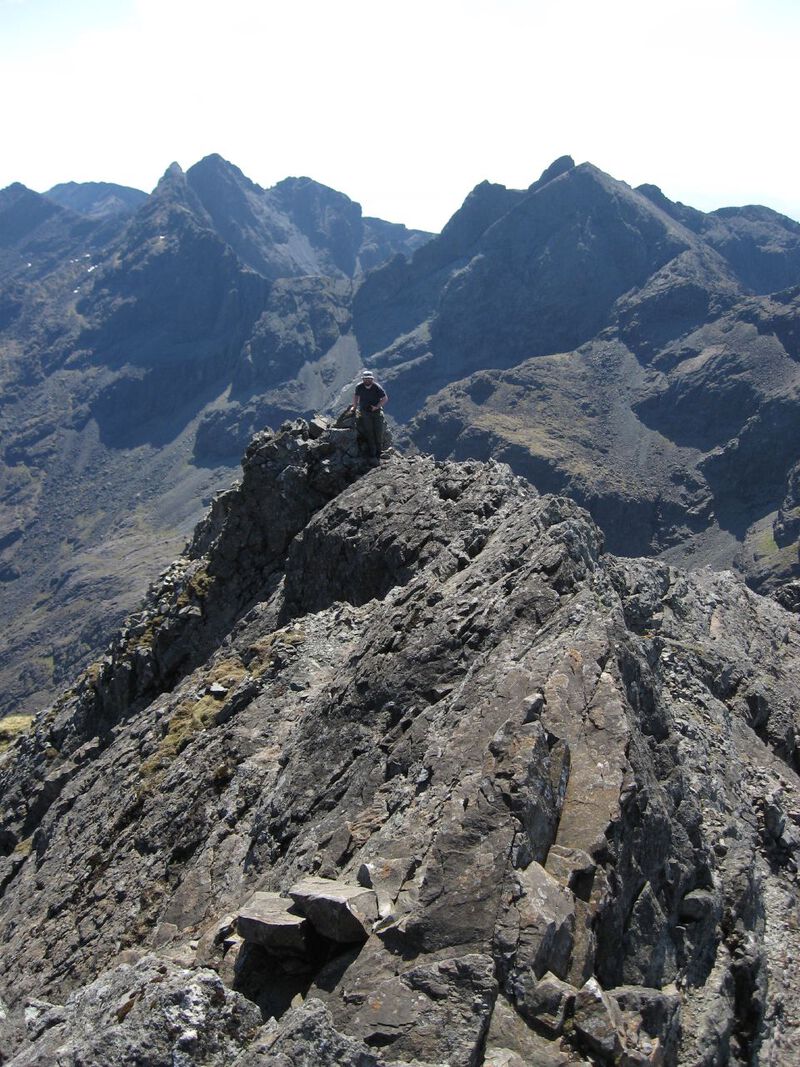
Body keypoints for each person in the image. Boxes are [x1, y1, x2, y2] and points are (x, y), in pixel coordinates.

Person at [351, 370, 388, 462]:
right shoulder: (359, 387)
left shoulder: (377, 387)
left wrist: (377, 407)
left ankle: (379, 452)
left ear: (372, 379)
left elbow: (385, 398)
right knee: (369, 432)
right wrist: (354, 407)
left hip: (376, 412)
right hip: (365, 412)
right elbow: (356, 396)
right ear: (363, 379)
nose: (367, 380)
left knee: (378, 432)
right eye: (365, 379)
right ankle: (372, 452)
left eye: (369, 379)